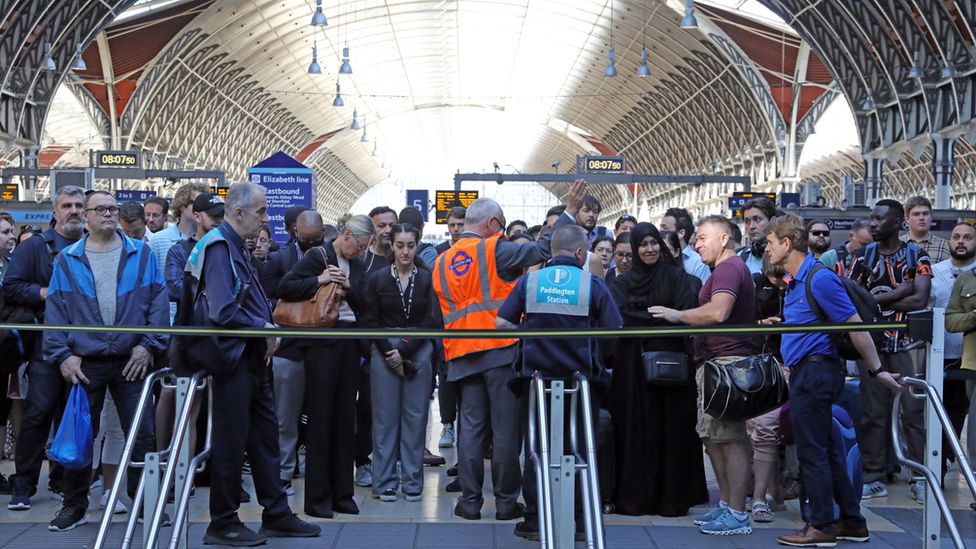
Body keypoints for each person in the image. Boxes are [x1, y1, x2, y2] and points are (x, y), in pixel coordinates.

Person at [432, 180, 586, 521]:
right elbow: (542, 249)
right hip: (500, 351)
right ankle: (504, 503)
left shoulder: (442, 261)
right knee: (505, 431)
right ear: (490, 225)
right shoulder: (493, 249)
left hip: (460, 353)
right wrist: (570, 212)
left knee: (470, 431)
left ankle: (470, 502)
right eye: (500, 227)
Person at [186, 182, 319, 545]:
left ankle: (276, 512)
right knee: (231, 441)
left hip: (251, 357)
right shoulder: (218, 247)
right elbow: (222, 310)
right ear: (238, 212)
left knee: (264, 438)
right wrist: (263, 327)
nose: (266, 219)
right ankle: (223, 521)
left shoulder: (235, 247)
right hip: (232, 358)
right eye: (260, 211)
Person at [765, 213, 901, 546]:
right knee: (829, 451)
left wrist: (876, 369)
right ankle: (852, 522)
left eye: (770, 243)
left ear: (786, 243)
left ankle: (821, 525)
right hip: (807, 372)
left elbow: (855, 325)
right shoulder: (796, 281)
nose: (766, 249)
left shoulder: (819, 278)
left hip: (815, 374)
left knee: (813, 452)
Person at [42, 191, 169, 531]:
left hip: (133, 358)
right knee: (82, 435)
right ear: (86, 216)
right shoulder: (68, 259)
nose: (109, 214)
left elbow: (158, 302)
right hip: (85, 361)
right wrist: (63, 356)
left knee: (141, 435)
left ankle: (145, 501)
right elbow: (55, 310)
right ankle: (74, 504)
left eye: (113, 209)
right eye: (101, 209)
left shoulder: (141, 254)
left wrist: (148, 345)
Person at [494, 223, 623, 539]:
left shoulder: (530, 281)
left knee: (537, 448)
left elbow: (500, 322)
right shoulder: (591, 284)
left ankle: (535, 519)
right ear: (581, 252)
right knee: (580, 448)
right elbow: (614, 329)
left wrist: (530, 335)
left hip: (536, 380)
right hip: (580, 382)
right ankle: (579, 521)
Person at [650, 214, 756, 536]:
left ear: (724, 239)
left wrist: (677, 315)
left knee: (730, 438)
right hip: (714, 363)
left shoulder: (728, 268)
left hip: (727, 364)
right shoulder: (725, 269)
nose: (695, 244)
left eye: (702, 237)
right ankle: (727, 505)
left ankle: (737, 512)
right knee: (713, 437)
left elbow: (719, 311)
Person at [277, 213, 373, 518]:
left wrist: (349, 288)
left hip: (347, 343)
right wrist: (319, 280)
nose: (362, 251)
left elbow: (366, 306)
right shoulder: (318, 256)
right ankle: (318, 499)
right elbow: (285, 287)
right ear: (346, 235)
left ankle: (343, 494)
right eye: (360, 245)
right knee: (320, 420)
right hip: (321, 343)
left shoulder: (357, 266)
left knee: (345, 419)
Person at [609, 223, 707, 517]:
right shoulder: (623, 283)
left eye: (653, 243)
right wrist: (664, 316)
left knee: (672, 429)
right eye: (643, 245)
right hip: (634, 371)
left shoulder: (679, 278)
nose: (649, 249)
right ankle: (637, 498)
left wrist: (647, 317)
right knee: (636, 428)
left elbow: (686, 309)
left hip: (671, 368)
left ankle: (672, 499)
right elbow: (619, 315)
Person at [6, 186, 86, 511]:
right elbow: (11, 286)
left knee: (74, 415)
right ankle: (23, 483)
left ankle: (63, 481)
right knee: (38, 414)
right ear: (55, 212)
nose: (74, 211)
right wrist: (45, 292)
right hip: (46, 344)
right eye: (67, 205)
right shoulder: (36, 247)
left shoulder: (94, 246)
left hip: (85, 345)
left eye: (80, 205)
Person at [848, 199, 931, 503]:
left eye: (879, 219)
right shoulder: (861, 257)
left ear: (897, 223)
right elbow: (853, 299)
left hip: (907, 345)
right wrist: (900, 292)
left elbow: (920, 300)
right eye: (871, 218)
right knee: (873, 413)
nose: (872, 224)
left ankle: (920, 475)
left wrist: (877, 298)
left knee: (913, 412)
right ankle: (873, 475)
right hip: (871, 346)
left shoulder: (917, 255)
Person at [362, 223, 441, 502]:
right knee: (384, 420)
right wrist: (388, 352)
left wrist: (404, 351)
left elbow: (432, 319)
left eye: (410, 245)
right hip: (383, 349)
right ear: (391, 246)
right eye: (400, 245)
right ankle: (384, 482)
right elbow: (370, 321)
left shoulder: (428, 279)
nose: (405, 251)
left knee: (415, 418)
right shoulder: (378, 278)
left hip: (417, 349)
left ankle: (412, 483)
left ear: (417, 245)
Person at [263, 209, 323, 495]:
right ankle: (284, 471)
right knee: (285, 417)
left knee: (320, 414)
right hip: (288, 347)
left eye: (316, 239)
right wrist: (312, 287)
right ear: (293, 232)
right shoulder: (279, 259)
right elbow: (272, 296)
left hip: (322, 346)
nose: (311, 245)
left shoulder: (329, 256)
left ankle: (320, 471)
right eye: (306, 238)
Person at [932, 223, 976, 467]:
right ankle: (939, 460)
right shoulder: (935, 272)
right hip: (940, 355)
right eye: (956, 237)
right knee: (940, 411)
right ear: (949, 241)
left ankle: (949, 456)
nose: (961, 241)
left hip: (969, 358)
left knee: (962, 411)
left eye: (968, 237)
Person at [150, 182, 209, 321]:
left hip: (200, 318)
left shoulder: (209, 240)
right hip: (167, 317)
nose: (201, 209)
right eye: (196, 203)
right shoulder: (158, 240)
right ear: (182, 204)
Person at [660, 207, 710, 283]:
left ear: (681, 233)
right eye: (660, 227)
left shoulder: (698, 263)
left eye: (665, 228)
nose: (660, 231)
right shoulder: (656, 257)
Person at [901, 195, 950, 263]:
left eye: (925, 213)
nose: (921, 218)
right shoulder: (896, 245)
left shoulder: (944, 246)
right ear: (907, 218)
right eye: (916, 214)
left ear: (931, 217)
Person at [737, 198, 776, 275]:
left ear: (772, 220)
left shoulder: (788, 256)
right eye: (747, 221)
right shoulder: (738, 258)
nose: (751, 226)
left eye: (757, 219)